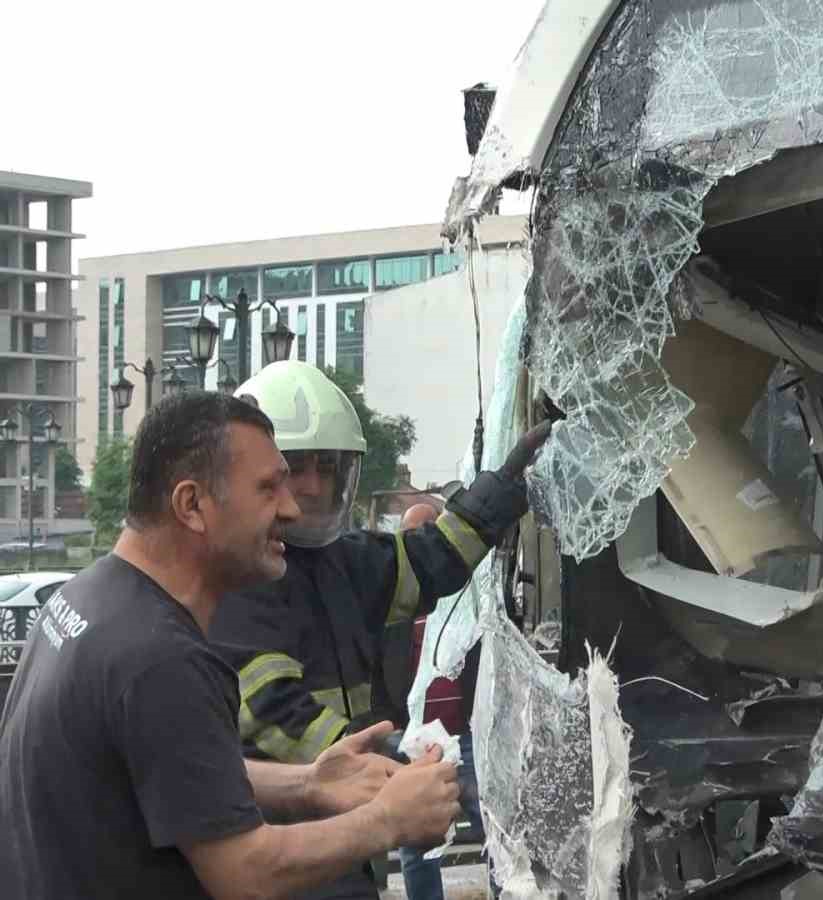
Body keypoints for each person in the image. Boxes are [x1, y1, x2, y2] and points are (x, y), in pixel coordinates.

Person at [0, 392, 460, 899]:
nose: (290, 507)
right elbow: (248, 875)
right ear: (191, 505)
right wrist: (387, 819)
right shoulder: (161, 660)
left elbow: (167, 767)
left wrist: (308, 784)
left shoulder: (84, 599)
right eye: (268, 488)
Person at [209, 360, 547, 900]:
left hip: (350, 826)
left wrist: (504, 486)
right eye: (298, 468)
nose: (316, 486)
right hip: (281, 836)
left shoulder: (347, 560)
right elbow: (274, 711)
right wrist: (393, 759)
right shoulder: (239, 576)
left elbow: (434, 557)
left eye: (329, 467)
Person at [397, 502, 494, 900]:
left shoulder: (467, 596)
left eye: (428, 530)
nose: (420, 542)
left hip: (467, 738)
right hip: (417, 742)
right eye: (411, 534)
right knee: (416, 844)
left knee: (494, 832)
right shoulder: (396, 604)